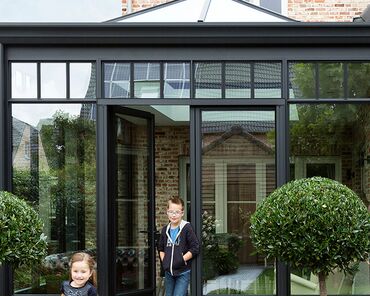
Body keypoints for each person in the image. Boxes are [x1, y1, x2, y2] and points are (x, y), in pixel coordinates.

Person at [158, 196, 199, 296]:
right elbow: (160, 248)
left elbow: (195, 248)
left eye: (177, 212)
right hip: (169, 273)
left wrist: (181, 259)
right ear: (167, 212)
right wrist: (165, 261)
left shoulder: (186, 228)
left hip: (182, 273)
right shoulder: (165, 230)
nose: (174, 215)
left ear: (182, 213)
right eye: (171, 211)